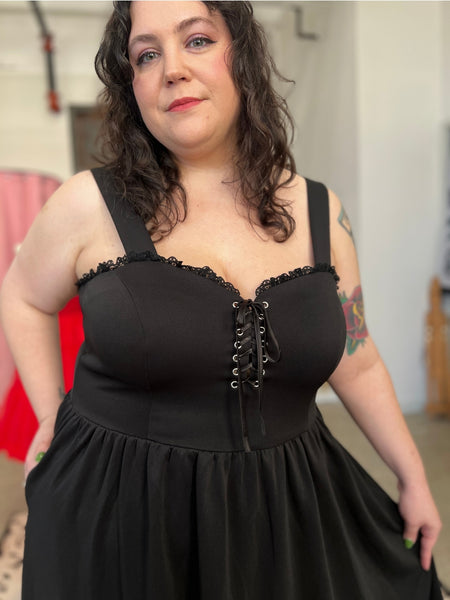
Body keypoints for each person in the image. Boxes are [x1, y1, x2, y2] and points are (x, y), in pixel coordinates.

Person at [0, 1, 443, 598]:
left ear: (245, 56)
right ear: (132, 86)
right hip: (122, 513)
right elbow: (23, 296)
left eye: (198, 40)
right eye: (147, 55)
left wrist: (412, 474)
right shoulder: (87, 205)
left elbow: (356, 356)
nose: (173, 69)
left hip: (284, 508)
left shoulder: (321, 214)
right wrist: (51, 412)